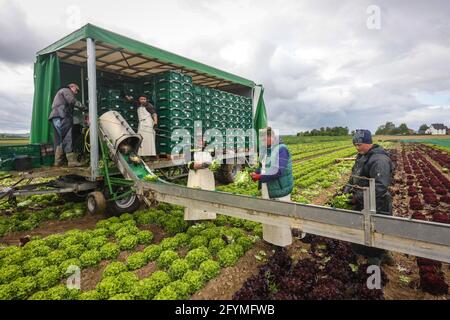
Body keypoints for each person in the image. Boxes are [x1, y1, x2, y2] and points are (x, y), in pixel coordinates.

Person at [344, 129, 395, 265]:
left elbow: (379, 187)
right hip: (364, 201)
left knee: (375, 233)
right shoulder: (362, 156)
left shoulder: (380, 160)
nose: (356, 147)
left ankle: (376, 263)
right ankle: (369, 255)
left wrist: (357, 197)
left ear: (368, 143)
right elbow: (354, 176)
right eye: (355, 144)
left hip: (378, 204)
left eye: (359, 144)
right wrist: (348, 188)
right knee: (362, 230)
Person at [250, 127, 296, 246]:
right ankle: (271, 240)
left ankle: (283, 243)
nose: (264, 142)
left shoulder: (282, 149)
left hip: (279, 190)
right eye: (262, 140)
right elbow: (264, 166)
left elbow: (277, 171)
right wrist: (256, 172)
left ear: (273, 137)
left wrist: (259, 177)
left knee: (281, 217)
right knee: (269, 215)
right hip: (268, 188)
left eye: (266, 139)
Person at [48, 83, 86, 167]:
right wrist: (85, 108)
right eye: (76, 90)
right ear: (71, 87)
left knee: (60, 140)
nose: (76, 92)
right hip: (62, 116)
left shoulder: (60, 93)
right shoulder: (66, 90)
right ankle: (72, 161)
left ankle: (58, 161)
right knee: (68, 137)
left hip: (56, 117)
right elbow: (73, 101)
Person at [184, 139, 217, 221]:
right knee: (194, 195)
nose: (200, 142)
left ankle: (208, 217)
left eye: (202, 140)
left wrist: (210, 164)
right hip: (195, 175)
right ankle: (193, 218)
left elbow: (215, 159)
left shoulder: (211, 148)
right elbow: (187, 161)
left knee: (208, 195)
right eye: (198, 139)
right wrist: (193, 166)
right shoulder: (190, 148)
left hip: (207, 176)